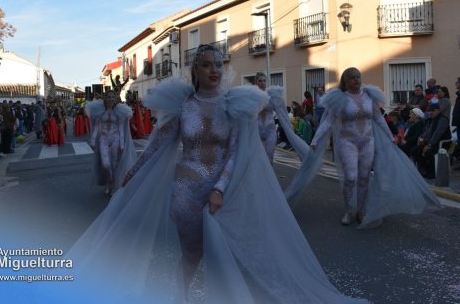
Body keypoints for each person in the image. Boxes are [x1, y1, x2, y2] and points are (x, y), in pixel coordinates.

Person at [66, 45, 366, 303]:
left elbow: (235, 153)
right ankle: (181, 296)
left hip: (225, 189)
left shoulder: (234, 106)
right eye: (206, 65)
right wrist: (131, 173)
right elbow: (159, 143)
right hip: (184, 188)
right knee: (192, 252)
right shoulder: (183, 106)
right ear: (195, 70)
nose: (214, 70)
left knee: (223, 254)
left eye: (218, 65)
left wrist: (220, 188)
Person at [289, 67, 440, 227]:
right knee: (351, 177)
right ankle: (349, 210)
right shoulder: (340, 98)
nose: (356, 80)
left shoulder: (369, 95)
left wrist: (390, 136)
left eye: (358, 77)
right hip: (347, 142)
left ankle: (360, 211)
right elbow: (328, 121)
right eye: (352, 77)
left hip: (368, 142)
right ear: (345, 81)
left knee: (364, 178)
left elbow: (378, 117)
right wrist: (316, 139)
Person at [87, 90, 135, 196]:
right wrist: (92, 141)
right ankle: (108, 181)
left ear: (115, 99)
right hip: (103, 139)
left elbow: (121, 129)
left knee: (114, 164)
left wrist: (122, 144)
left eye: (113, 97)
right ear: (105, 98)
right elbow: (96, 127)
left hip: (115, 138)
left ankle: (113, 184)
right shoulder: (100, 111)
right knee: (105, 164)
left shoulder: (119, 112)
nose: (111, 99)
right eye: (109, 97)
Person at [411, 102, 451, 179]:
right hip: (429, 142)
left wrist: (429, 145)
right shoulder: (430, 120)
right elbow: (426, 131)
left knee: (429, 152)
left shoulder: (443, 119)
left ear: (438, 110)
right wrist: (421, 137)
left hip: (440, 143)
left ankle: (433, 172)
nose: (430, 112)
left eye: (433, 110)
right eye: (429, 110)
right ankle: (426, 169)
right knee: (414, 151)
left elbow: (437, 134)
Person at [254, 72, 277, 164]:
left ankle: (269, 177)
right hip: (256, 128)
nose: (262, 83)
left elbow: (280, 111)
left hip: (270, 129)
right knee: (257, 157)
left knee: (269, 155)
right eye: (260, 81)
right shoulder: (252, 96)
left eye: (264, 81)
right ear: (256, 82)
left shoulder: (271, 95)